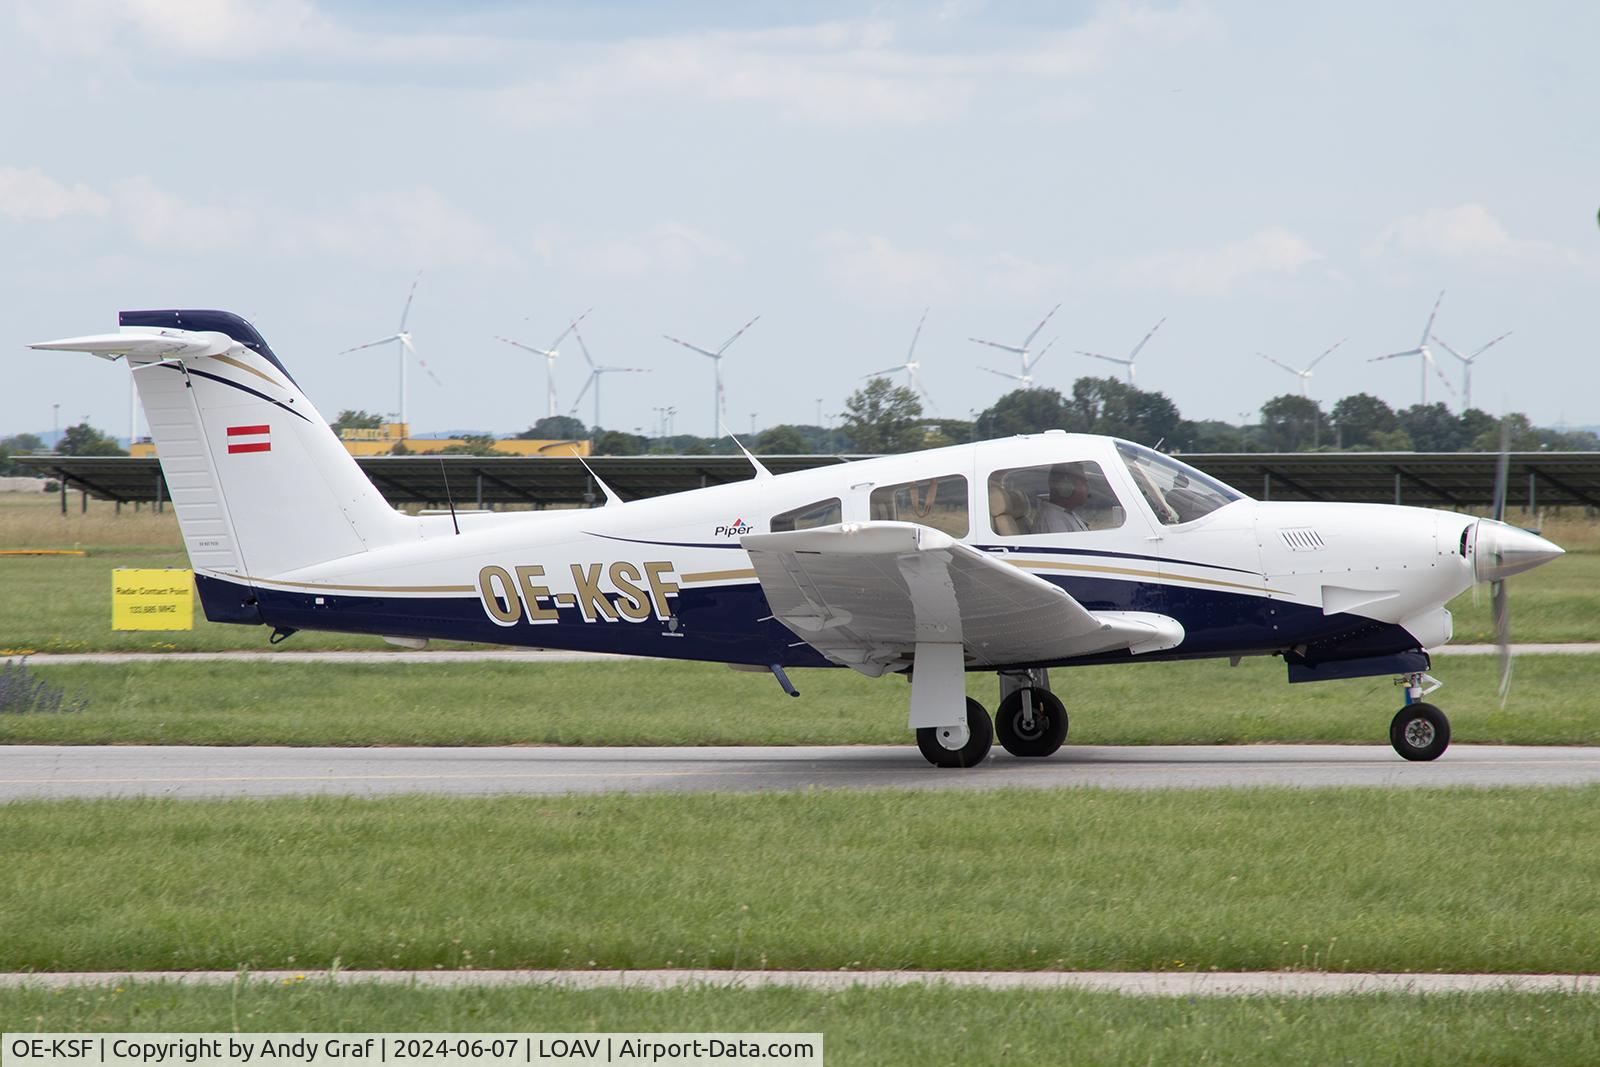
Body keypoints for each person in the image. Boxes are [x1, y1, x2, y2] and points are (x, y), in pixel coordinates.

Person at [1032, 463, 1090, 533]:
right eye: (1083, 483)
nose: (1087, 487)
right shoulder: (1053, 521)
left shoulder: (1064, 513)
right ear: (1065, 488)